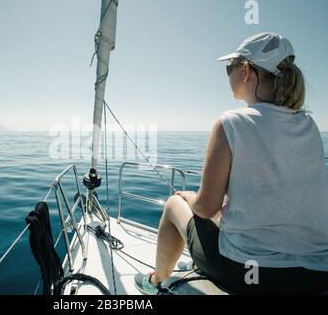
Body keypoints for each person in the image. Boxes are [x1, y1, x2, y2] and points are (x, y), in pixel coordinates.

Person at [134, 32, 328, 295]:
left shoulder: (231, 123)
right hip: (316, 274)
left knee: (173, 204)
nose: (228, 75)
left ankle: (155, 281)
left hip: (249, 274)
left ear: (246, 70)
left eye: (230, 68)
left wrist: (190, 197)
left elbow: (205, 208)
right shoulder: (309, 125)